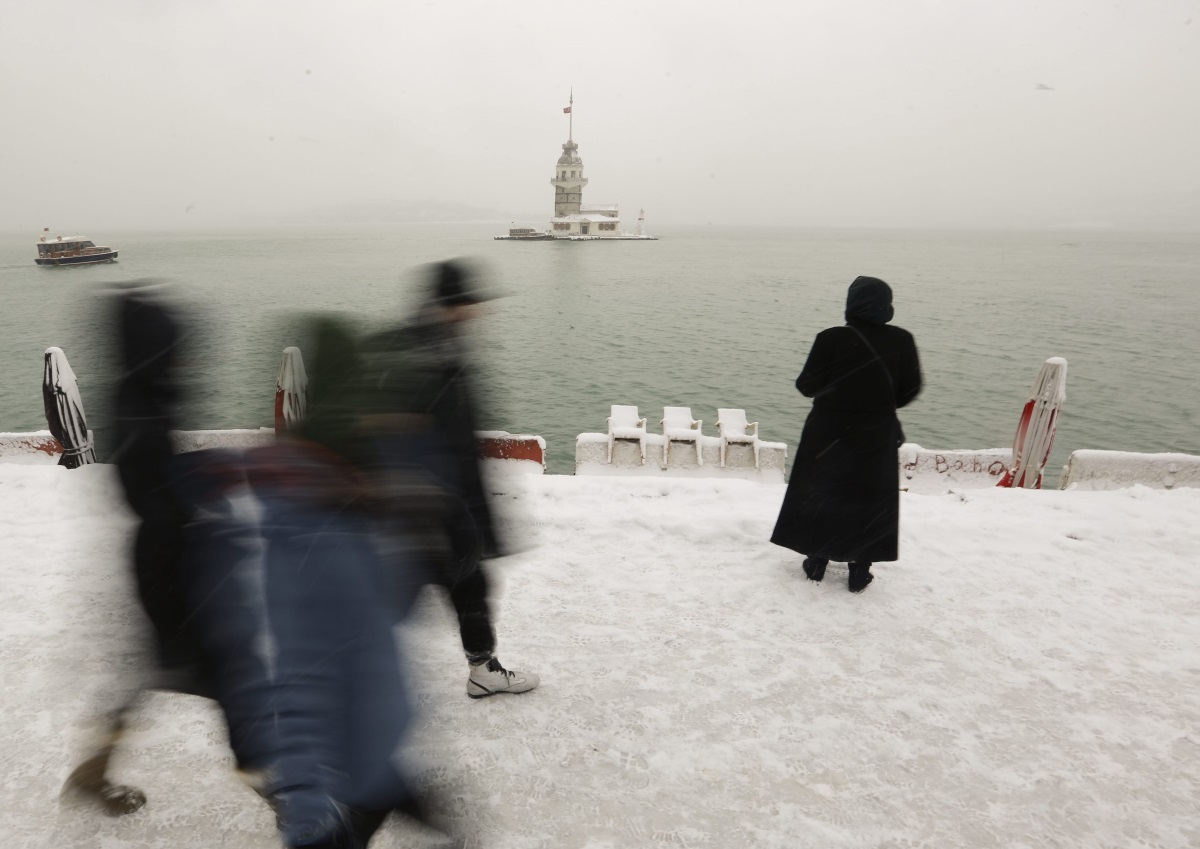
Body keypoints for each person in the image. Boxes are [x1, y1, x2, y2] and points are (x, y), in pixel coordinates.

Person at [364, 260, 538, 698]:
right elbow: (431, 436)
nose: (478, 311)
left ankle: (481, 667)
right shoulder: (430, 354)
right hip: (430, 504)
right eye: (470, 303)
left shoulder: (436, 345)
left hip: (437, 502)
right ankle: (347, 676)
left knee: (466, 583)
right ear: (452, 304)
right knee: (413, 591)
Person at [770, 276, 922, 592]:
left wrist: (839, 390)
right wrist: (877, 401)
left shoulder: (830, 339)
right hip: (876, 431)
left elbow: (806, 385)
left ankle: (816, 559)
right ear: (886, 305)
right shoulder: (901, 340)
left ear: (851, 304)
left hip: (828, 430)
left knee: (823, 491)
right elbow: (909, 391)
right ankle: (859, 569)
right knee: (868, 496)